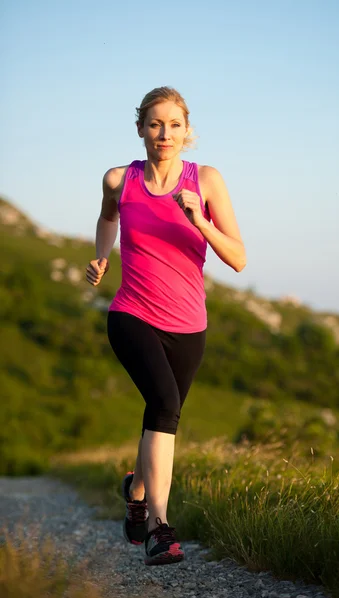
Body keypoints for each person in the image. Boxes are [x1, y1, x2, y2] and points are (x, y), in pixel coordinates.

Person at [85, 86, 246, 566]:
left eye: (174, 125)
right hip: (131, 313)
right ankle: (159, 526)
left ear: (186, 130)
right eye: (155, 124)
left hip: (188, 324)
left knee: (159, 416)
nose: (165, 134)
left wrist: (200, 220)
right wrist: (101, 256)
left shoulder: (207, 180)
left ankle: (135, 490)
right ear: (140, 129)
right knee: (165, 405)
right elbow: (106, 217)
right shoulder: (120, 179)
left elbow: (238, 259)